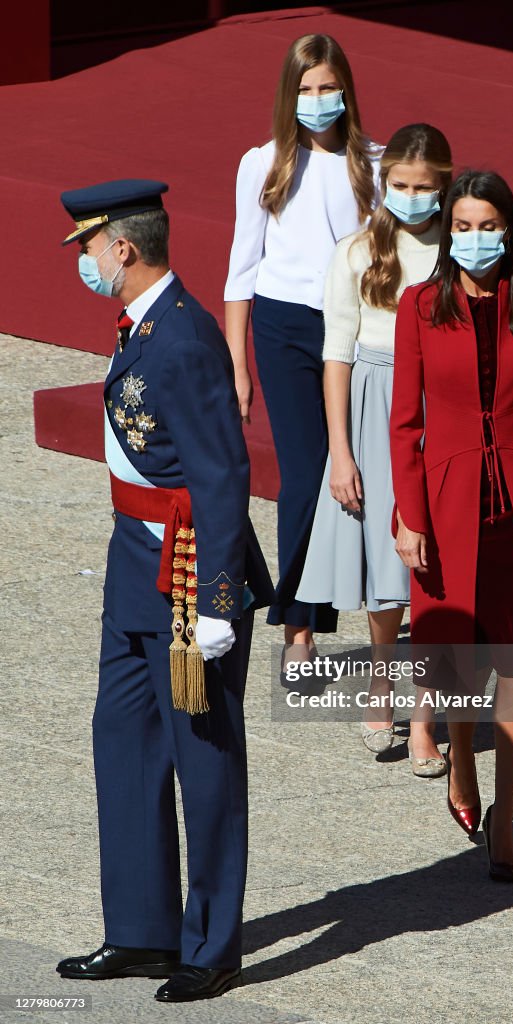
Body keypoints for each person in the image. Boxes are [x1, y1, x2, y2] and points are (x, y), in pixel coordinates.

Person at [55, 179, 273, 1002]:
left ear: (124, 248)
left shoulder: (183, 338)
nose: (82, 260)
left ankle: (211, 944)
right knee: (124, 740)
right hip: (134, 567)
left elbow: (221, 475)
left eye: (87, 246)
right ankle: (142, 931)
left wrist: (219, 601)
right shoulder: (142, 326)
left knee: (204, 763)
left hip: (187, 577)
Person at [390, 169, 513, 880]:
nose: (476, 239)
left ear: (509, 228)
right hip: (445, 506)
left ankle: (504, 812)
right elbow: (403, 421)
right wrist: (408, 516)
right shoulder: (419, 305)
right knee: (453, 663)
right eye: (464, 226)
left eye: (488, 225)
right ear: (449, 230)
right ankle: (460, 770)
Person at [297, 124, 452, 774]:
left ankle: (424, 719)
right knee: (387, 573)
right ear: (384, 184)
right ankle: (382, 684)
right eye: (401, 186)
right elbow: (336, 352)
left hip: (443, 410)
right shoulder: (357, 250)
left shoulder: (460, 247)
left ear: (443, 186)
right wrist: (340, 450)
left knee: (437, 573)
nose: (411, 198)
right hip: (375, 402)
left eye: (424, 188)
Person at [224, 33, 379, 669]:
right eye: (306, 90)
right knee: (304, 478)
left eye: (328, 88)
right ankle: (299, 630)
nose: (317, 101)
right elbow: (242, 269)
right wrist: (237, 362)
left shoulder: (374, 161)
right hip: (283, 328)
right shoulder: (262, 164)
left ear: (346, 90)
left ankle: (374, 614)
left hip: (355, 326)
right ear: (290, 96)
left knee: (359, 474)